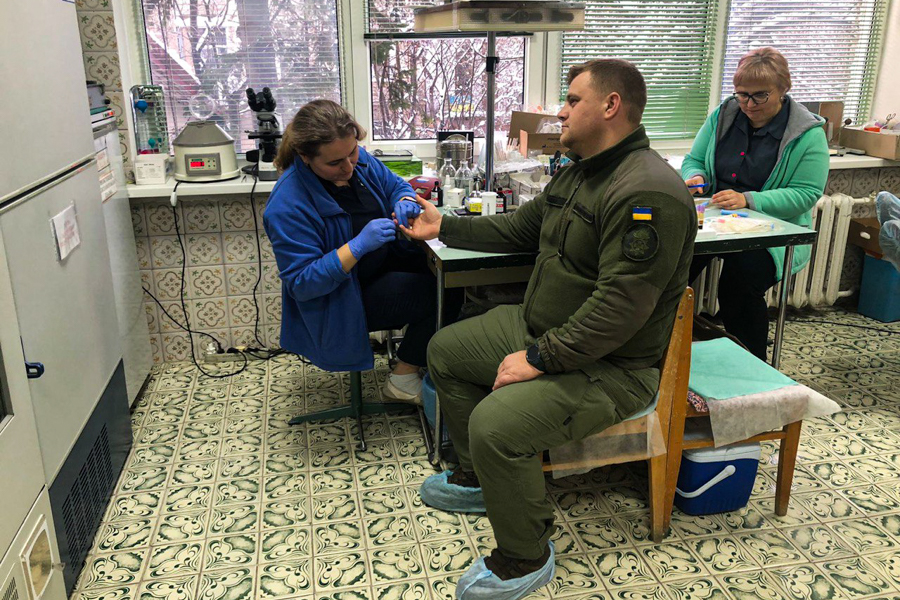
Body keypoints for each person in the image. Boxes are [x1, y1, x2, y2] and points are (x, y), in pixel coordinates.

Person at [400, 59, 697, 600]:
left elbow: (619, 309)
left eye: (573, 99)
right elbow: (522, 227)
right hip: (545, 329)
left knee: (496, 425)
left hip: (611, 366)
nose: (561, 111)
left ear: (610, 106)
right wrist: (446, 226)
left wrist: (538, 358)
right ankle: (479, 480)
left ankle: (525, 554)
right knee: (444, 351)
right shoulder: (580, 171)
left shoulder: (647, 192)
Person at [264, 99, 455, 401]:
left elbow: (396, 185)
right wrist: (356, 247)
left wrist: (404, 199)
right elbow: (302, 283)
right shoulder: (288, 204)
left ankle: (429, 358)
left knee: (450, 275)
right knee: (440, 293)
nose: (349, 167)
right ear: (305, 156)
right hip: (341, 298)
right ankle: (403, 379)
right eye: (334, 163)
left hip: (378, 267)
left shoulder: (355, 158)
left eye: (352, 152)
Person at [682, 47, 829, 360]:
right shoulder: (723, 115)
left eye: (760, 95)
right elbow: (694, 159)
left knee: (738, 287)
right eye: (742, 95)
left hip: (769, 232)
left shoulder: (808, 134)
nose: (749, 104)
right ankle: (663, 355)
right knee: (669, 269)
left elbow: (806, 193)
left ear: (783, 89)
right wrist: (695, 177)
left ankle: (752, 366)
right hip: (714, 222)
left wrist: (749, 200)